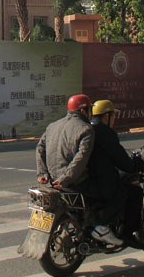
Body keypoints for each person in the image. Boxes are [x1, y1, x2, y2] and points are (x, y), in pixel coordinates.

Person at [35, 93, 123, 246]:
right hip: (74, 182)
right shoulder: (86, 129)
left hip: (53, 180)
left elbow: (40, 149)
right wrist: (65, 179)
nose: (90, 114)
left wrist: (42, 173)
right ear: (83, 111)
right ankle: (100, 227)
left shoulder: (52, 126)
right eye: (89, 110)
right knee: (114, 191)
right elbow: (81, 158)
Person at [88, 99, 144, 250]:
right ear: (106, 116)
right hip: (99, 180)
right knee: (134, 192)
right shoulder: (105, 133)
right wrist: (139, 161)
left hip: (84, 178)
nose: (114, 119)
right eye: (113, 116)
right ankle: (127, 233)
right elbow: (124, 162)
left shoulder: (87, 129)